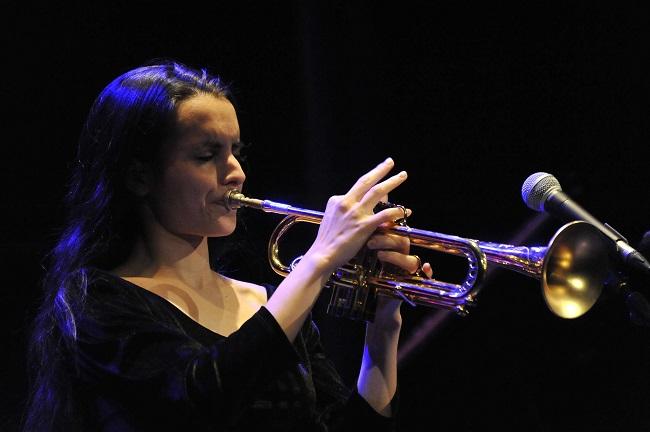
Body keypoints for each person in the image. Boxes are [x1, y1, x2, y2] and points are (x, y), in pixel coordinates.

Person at [23, 60, 432, 431]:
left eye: (236, 151)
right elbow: (201, 399)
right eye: (207, 155)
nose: (235, 172)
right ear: (138, 177)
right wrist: (320, 260)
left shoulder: (270, 303)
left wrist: (383, 329)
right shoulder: (95, 301)